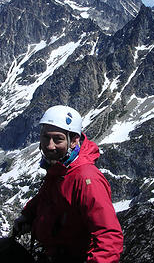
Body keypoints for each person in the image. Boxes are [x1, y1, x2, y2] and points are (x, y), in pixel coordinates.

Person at [14, 105, 123, 262]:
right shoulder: (60, 168)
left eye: (58, 139)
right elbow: (48, 196)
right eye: (45, 137)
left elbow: (109, 236)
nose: (50, 145)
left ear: (73, 141)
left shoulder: (86, 179)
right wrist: (28, 214)